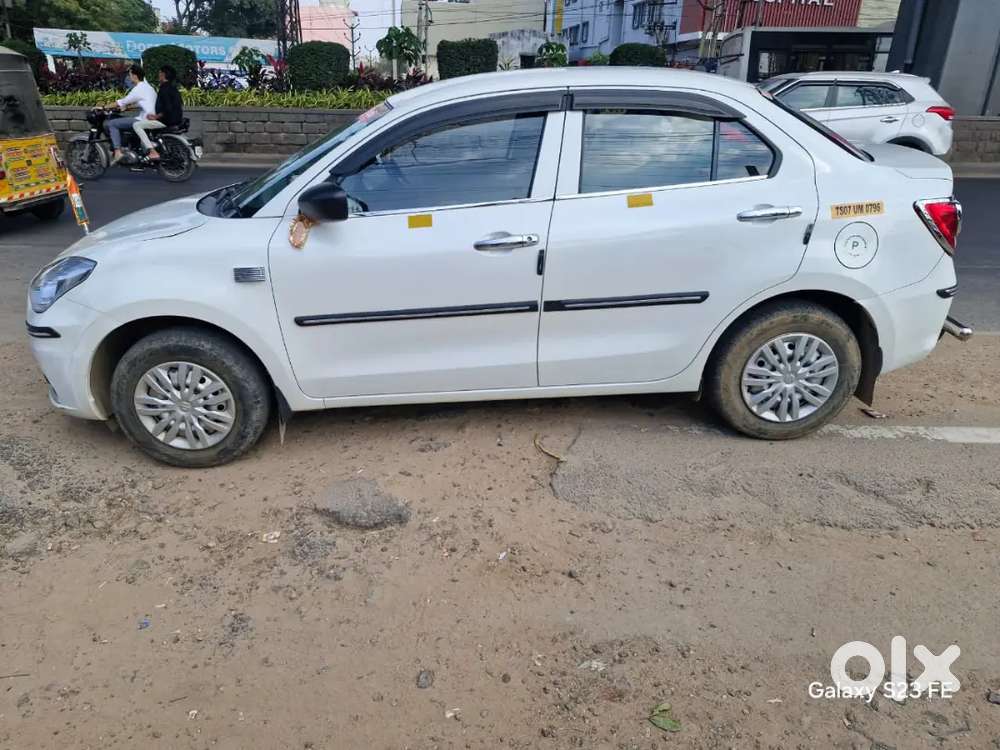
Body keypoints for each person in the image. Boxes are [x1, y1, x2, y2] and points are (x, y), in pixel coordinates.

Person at [104, 64, 156, 164]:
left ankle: (117, 152)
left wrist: (103, 107)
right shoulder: (149, 88)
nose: (129, 77)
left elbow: (121, 102)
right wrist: (128, 108)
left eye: (130, 74)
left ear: (135, 76)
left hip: (144, 119)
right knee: (126, 121)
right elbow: (143, 103)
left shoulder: (138, 89)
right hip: (152, 118)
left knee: (112, 123)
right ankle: (133, 148)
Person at [133, 65, 184, 161]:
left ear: (163, 75)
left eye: (160, 73)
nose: (158, 75)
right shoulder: (173, 88)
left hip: (166, 121)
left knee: (137, 125)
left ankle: (152, 152)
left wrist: (156, 117)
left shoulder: (164, 89)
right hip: (176, 120)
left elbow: (167, 108)